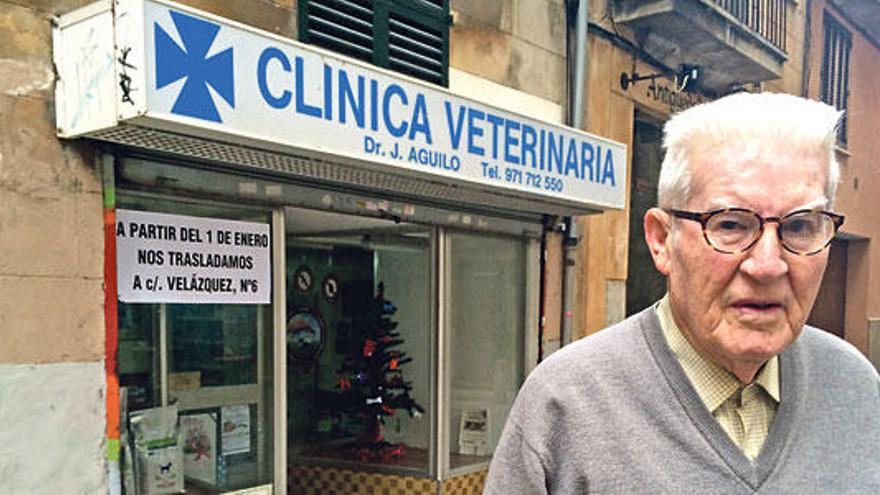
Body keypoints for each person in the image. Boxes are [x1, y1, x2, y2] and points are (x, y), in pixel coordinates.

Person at [485, 92, 880, 493]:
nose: (767, 265)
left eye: (799, 227)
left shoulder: (857, 389)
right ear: (661, 241)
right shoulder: (564, 405)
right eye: (729, 225)